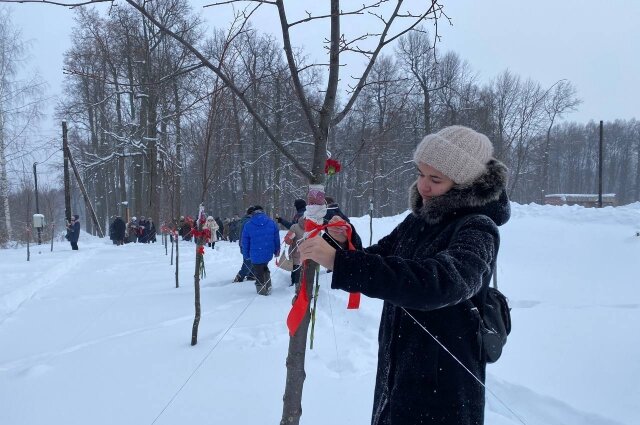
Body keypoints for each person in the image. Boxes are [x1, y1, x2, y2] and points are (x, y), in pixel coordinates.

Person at [299, 125, 511, 425]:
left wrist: (341, 263)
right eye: (421, 174)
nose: (423, 186)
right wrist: (342, 244)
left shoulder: (478, 228)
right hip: (400, 370)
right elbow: (379, 259)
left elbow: (439, 283)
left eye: (435, 179)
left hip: (443, 387)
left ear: (464, 183)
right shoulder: (420, 221)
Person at [241, 205, 280, 295]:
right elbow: (276, 238)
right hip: (268, 252)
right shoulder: (271, 222)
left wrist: (246, 254)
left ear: (253, 213)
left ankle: (262, 292)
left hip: (255, 253)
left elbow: (245, 242)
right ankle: (268, 284)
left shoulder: (248, 225)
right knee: (264, 266)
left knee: (258, 271)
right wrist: (277, 250)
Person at [233, 207, 256, 283]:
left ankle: (251, 275)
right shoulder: (248, 221)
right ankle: (240, 276)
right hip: (247, 244)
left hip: (244, 243)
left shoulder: (245, 220)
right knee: (248, 261)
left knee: (250, 260)